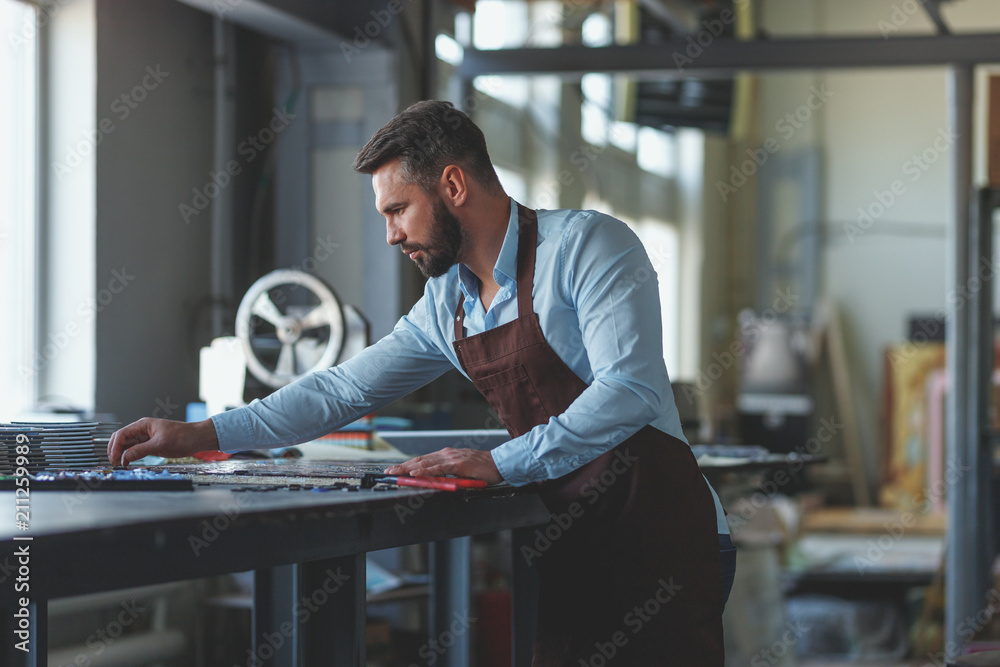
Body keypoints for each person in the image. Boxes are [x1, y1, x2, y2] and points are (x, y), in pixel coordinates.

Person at [109, 100, 735, 665]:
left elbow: (629, 392)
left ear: (453, 185)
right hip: (576, 551)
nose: (391, 235)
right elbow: (340, 391)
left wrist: (498, 462)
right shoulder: (447, 306)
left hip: (662, 546)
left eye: (398, 209)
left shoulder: (589, 247)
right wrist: (201, 432)